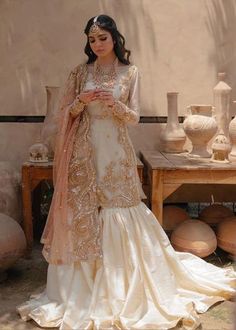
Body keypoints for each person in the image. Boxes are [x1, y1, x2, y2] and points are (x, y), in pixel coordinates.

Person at [17, 14, 235, 330]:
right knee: (86, 208)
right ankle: (81, 290)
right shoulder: (80, 73)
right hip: (84, 151)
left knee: (119, 207)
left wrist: (114, 104)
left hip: (115, 152)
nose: (97, 44)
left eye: (102, 38)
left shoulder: (130, 73)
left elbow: (133, 117)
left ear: (114, 39)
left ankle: (126, 284)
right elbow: (64, 114)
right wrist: (81, 100)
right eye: (92, 40)